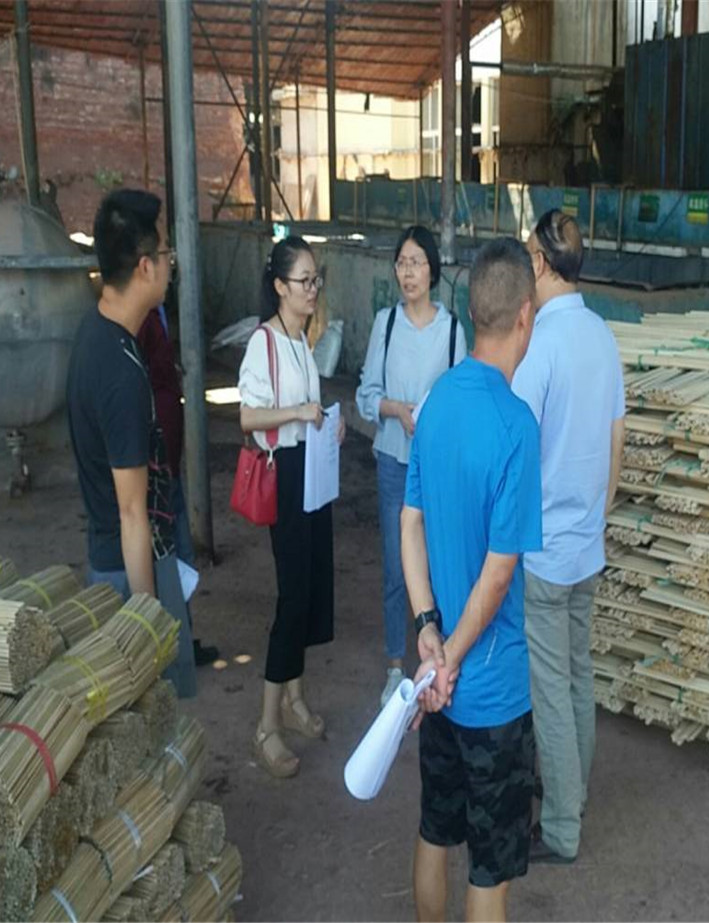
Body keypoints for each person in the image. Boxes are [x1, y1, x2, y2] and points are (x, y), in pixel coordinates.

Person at [402, 238, 542, 923]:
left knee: (435, 831)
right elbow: (499, 569)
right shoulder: (516, 425)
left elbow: (410, 522)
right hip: (489, 691)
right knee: (489, 870)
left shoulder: (436, 402)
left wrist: (427, 630)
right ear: (525, 315)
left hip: (439, 687)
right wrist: (453, 656)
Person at [510, 209, 626, 864]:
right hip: (585, 544)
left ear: (539, 262)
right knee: (578, 674)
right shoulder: (602, 336)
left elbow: (517, 444)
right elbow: (616, 437)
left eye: (527, 252)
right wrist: (597, 516)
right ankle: (572, 792)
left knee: (549, 690)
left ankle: (559, 827)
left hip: (544, 550)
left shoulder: (540, 344)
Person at [66, 188, 197, 698]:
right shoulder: (119, 372)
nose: (169, 264)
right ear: (145, 266)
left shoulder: (97, 332)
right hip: (127, 570)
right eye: (165, 253)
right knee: (150, 710)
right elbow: (131, 513)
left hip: (116, 557)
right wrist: (147, 623)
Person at [238, 236, 345, 779]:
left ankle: (295, 698)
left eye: (315, 279)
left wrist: (326, 421)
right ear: (280, 286)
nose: (312, 289)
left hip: (313, 475)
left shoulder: (302, 339)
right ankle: (266, 725)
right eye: (304, 280)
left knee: (313, 588)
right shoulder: (265, 343)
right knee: (293, 595)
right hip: (285, 477)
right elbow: (248, 417)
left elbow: (308, 411)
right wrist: (300, 412)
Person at [356, 225, 467, 707]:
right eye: (401, 263)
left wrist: (434, 421)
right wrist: (395, 410)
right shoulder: (385, 324)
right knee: (396, 569)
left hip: (438, 470)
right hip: (393, 464)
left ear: (432, 270)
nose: (408, 272)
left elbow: (462, 401)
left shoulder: (453, 331)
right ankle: (395, 666)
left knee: (439, 564)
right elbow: (365, 395)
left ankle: (443, 661)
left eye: (417, 262)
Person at [137, 304, 220, 667]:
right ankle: (169, 648)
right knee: (168, 559)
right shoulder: (139, 319)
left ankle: (180, 641)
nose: (169, 274)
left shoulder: (154, 313)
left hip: (168, 463)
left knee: (179, 557)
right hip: (155, 468)